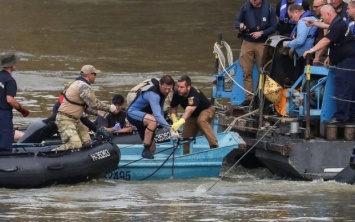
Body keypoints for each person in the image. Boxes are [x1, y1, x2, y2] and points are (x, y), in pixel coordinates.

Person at [303, 5, 355, 124]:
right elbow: (327, 26)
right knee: (349, 89)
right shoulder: (338, 22)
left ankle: (341, 118)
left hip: (346, 62)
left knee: (344, 89)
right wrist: (314, 23)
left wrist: (311, 51)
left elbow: (326, 40)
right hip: (344, 60)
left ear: (328, 15)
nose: (321, 17)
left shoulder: (338, 25)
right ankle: (351, 116)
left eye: (322, 15)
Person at [53, 65, 118, 151]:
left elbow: (86, 107)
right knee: (75, 144)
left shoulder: (79, 84)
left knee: (87, 142)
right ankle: (54, 151)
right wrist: (110, 108)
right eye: (94, 74)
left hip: (75, 120)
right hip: (65, 119)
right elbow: (94, 104)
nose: (95, 77)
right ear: (89, 75)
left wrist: (100, 113)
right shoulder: (82, 85)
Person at [234, 0, 277, 106]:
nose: (253, 1)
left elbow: (274, 27)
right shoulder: (245, 7)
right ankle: (249, 98)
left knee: (264, 70)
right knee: (246, 71)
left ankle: (265, 98)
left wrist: (261, 33)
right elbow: (237, 22)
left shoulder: (270, 9)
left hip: (262, 43)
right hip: (247, 42)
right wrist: (240, 25)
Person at [127, 75, 175, 159]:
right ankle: (145, 151)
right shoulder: (153, 94)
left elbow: (160, 110)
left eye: (169, 89)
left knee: (152, 148)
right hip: (133, 114)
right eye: (165, 88)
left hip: (144, 117)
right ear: (160, 84)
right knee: (153, 121)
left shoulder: (163, 92)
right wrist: (169, 128)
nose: (167, 91)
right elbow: (156, 114)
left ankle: (146, 161)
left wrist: (164, 123)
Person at [170, 75, 219, 154]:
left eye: (181, 87)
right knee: (185, 136)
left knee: (201, 120)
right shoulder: (177, 93)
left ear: (188, 87)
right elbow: (173, 107)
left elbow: (189, 111)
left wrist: (180, 122)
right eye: (177, 86)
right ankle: (186, 154)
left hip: (206, 109)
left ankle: (214, 146)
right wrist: (174, 119)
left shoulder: (194, 94)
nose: (179, 89)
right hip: (193, 115)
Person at [0, 52, 30, 152]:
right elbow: (10, 100)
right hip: (3, 114)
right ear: (12, 65)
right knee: (5, 141)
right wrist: (22, 110)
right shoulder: (10, 80)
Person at [281, 4, 317, 81]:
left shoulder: (303, 21)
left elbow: (300, 41)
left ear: (296, 12)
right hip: (312, 53)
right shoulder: (312, 18)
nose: (292, 20)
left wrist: (287, 44)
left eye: (291, 16)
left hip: (304, 56)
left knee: (301, 80)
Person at [312, 0, 328, 65]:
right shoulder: (320, 18)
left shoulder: (326, 19)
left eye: (316, 7)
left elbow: (327, 39)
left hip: (323, 54)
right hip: (318, 50)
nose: (314, 9)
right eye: (313, 7)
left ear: (324, 5)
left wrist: (318, 56)